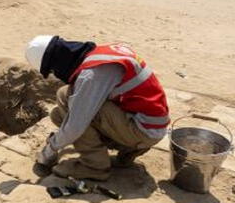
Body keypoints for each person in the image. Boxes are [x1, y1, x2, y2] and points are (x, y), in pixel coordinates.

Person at [25, 35, 170, 181]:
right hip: (149, 123)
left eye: (51, 70)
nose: (54, 74)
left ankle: (94, 167)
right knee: (61, 111)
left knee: (71, 105)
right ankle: (128, 151)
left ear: (56, 62)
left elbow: (75, 126)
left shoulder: (92, 75)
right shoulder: (101, 53)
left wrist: (48, 151)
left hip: (144, 130)